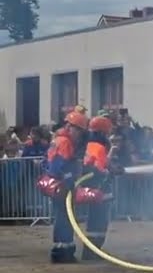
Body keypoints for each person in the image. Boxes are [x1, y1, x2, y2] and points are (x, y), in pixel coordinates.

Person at [41, 111, 89, 263]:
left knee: (65, 217)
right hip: (61, 185)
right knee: (64, 218)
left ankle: (64, 250)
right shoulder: (64, 141)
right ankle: (62, 253)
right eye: (78, 130)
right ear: (70, 127)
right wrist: (69, 179)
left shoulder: (59, 139)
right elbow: (58, 165)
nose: (79, 135)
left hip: (57, 184)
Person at [77, 114, 124, 260]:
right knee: (99, 222)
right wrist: (113, 168)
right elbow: (101, 167)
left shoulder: (88, 143)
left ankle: (91, 251)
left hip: (92, 188)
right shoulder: (99, 146)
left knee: (94, 221)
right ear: (104, 131)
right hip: (100, 188)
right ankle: (93, 253)